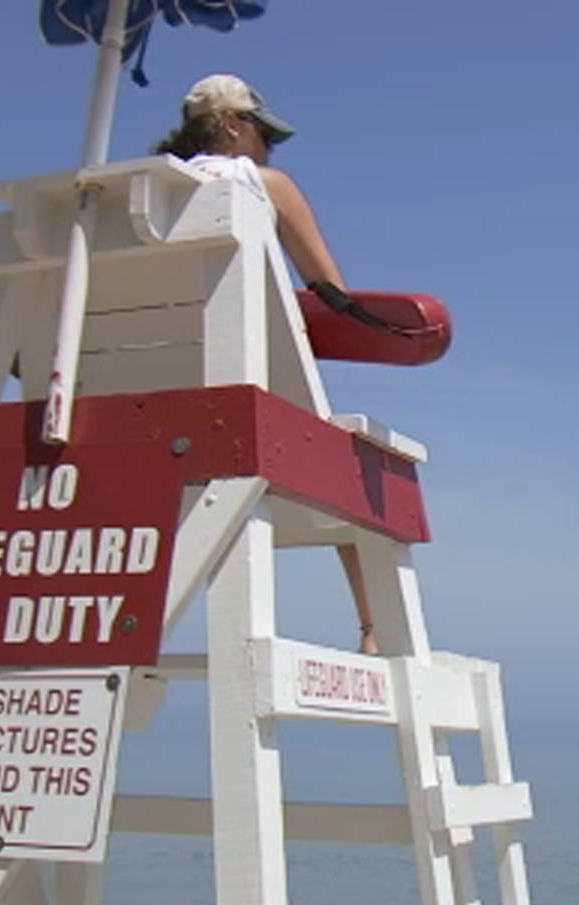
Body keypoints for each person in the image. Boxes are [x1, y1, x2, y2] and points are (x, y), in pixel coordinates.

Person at [153, 74, 380, 655]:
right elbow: (332, 290)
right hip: (239, 401)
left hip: (147, 415)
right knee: (356, 463)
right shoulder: (262, 185)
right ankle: (374, 629)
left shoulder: (138, 194)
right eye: (262, 133)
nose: (269, 148)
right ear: (231, 126)